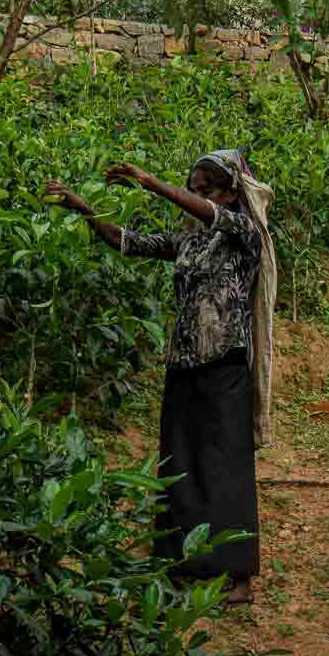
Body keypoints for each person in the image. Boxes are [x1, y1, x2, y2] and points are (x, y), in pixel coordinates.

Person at [43, 148, 278, 606]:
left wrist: (151, 182)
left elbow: (209, 215)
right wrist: (80, 206)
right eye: (192, 190)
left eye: (205, 191)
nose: (196, 198)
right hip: (185, 362)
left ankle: (237, 575)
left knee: (226, 468)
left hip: (225, 364)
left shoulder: (244, 231)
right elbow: (127, 241)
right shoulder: (190, 241)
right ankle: (181, 560)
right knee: (180, 462)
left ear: (232, 193)